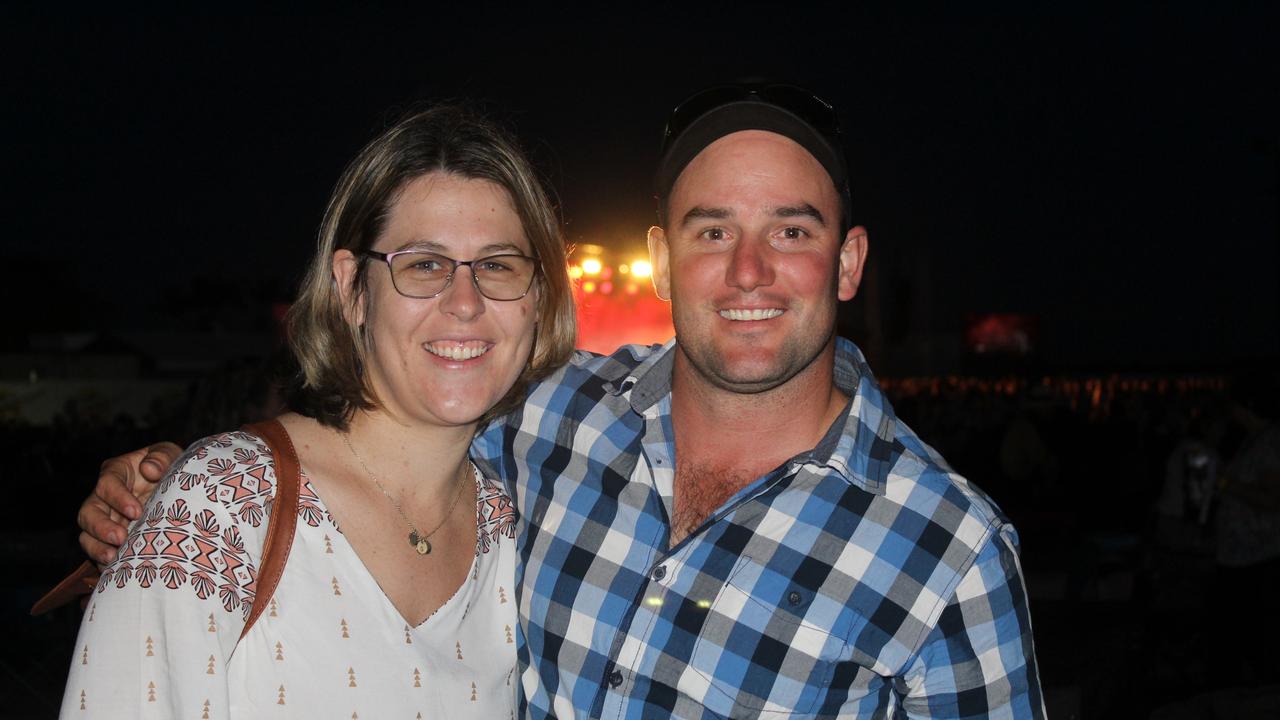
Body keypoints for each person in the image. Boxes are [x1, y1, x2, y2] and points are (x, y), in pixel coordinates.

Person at [79, 84, 1044, 717]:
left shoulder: (949, 552)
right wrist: (180, 487)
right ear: (663, 260)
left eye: (791, 231)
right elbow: (376, 444)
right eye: (711, 233)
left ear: (848, 263)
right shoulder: (554, 423)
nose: (749, 270)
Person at [61, 104, 577, 718]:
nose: (464, 302)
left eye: (497, 265)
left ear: (538, 296)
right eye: (423, 265)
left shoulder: (518, 531)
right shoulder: (226, 501)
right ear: (352, 288)